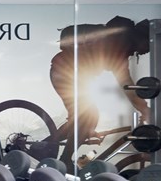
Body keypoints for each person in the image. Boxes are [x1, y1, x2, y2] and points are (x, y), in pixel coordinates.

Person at [49, 15, 151, 166]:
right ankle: (64, 161)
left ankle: (46, 145)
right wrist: (145, 110)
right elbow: (127, 86)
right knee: (87, 115)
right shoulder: (118, 47)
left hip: (67, 73)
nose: (147, 51)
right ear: (140, 39)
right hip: (65, 73)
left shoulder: (119, 44)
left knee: (83, 118)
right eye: (149, 44)